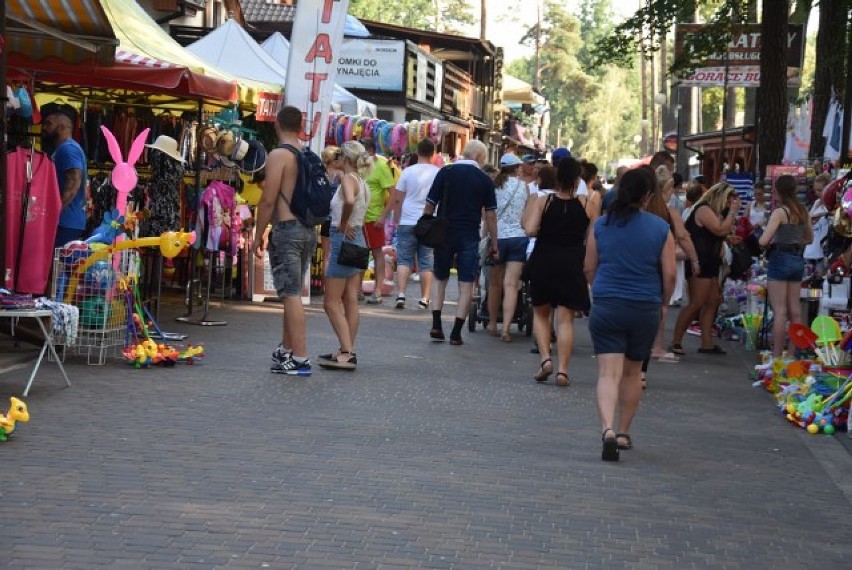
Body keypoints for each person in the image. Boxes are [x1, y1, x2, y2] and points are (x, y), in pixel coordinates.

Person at [584, 168, 676, 461]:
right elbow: (670, 273)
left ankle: (607, 428)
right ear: (648, 195)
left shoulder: (601, 224)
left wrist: (599, 287)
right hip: (644, 305)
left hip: (608, 302)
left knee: (608, 373)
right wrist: (663, 303)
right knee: (633, 372)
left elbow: (588, 267)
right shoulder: (661, 228)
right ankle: (623, 432)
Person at [253, 106, 318, 376]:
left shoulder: (279, 155)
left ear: (277, 125)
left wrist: (258, 234)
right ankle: (287, 350)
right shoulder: (307, 153)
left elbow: (268, 199)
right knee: (291, 291)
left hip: (287, 228)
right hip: (307, 229)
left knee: (291, 295)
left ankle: (301, 357)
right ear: (300, 125)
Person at [522, 156, 596, 386]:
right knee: (565, 321)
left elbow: (531, 230)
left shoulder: (544, 202)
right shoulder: (587, 205)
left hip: (544, 260)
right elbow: (591, 240)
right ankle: (563, 370)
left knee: (541, 314)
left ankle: (545, 359)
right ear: (577, 179)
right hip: (572, 263)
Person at [425, 140, 498, 346]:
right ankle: (456, 332)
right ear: (480, 157)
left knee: (440, 278)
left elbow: (430, 204)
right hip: (469, 234)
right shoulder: (484, 180)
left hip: (443, 232)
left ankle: (437, 325)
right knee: (466, 283)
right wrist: (494, 242)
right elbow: (491, 215)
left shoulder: (445, 172)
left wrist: (425, 227)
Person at [318, 141, 373, 370]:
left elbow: (349, 200)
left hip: (344, 238)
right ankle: (346, 347)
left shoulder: (348, 179)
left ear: (348, 158)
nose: (336, 157)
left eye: (340, 154)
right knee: (350, 298)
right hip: (357, 238)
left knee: (330, 302)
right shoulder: (361, 181)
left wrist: (341, 223)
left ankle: (347, 351)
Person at [670, 182, 741, 356]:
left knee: (712, 301)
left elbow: (720, 232)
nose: (730, 203)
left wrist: (729, 236)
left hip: (710, 261)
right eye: (729, 200)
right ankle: (676, 341)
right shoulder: (703, 209)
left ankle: (707, 343)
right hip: (699, 261)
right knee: (696, 303)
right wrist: (732, 212)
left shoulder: (714, 211)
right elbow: (718, 229)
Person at [759, 175, 813, 357]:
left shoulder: (780, 213)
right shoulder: (803, 211)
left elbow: (764, 239)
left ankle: (776, 355)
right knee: (795, 311)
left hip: (780, 259)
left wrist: (767, 240)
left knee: (780, 310)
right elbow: (810, 238)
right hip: (798, 259)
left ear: (778, 191)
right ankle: (791, 354)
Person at [486, 154, 530, 341]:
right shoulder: (524, 187)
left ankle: (493, 323)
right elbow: (526, 214)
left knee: (494, 284)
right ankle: (506, 329)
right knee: (511, 284)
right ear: (516, 168)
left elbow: (488, 214)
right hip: (518, 238)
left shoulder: (493, 187)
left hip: (498, 237)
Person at [393, 139, 440, 310]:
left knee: (404, 259)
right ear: (433, 154)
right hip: (428, 222)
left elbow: (398, 198)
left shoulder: (407, 172)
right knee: (426, 261)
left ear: (417, 152)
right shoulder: (438, 173)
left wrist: (397, 220)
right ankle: (425, 298)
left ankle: (401, 295)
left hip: (407, 220)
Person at [42, 106, 87, 246]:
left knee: (56, 265)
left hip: (65, 222)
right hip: (67, 221)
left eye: (49, 123)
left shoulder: (68, 149)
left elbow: (74, 182)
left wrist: (54, 212)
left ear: (61, 127)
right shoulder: (64, 148)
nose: (44, 127)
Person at [360, 137, 396, 304]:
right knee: (359, 254)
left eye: (362, 152)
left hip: (373, 218)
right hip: (358, 218)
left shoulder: (381, 167)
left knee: (376, 253)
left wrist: (383, 216)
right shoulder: (359, 166)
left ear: (370, 151)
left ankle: (377, 290)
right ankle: (357, 289)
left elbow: (393, 194)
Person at [320, 146, 344, 275]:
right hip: (337, 217)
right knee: (337, 255)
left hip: (324, 217)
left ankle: (325, 287)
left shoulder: (322, 173)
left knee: (326, 255)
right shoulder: (340, 174)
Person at [804, 173, 831, 277]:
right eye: (815, 190)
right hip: (809, 251)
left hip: (822, 255)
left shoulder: (833, 204)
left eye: (820, 190)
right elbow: (808, 221)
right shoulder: (816, 203)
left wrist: (824, 214)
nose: (817, 193)